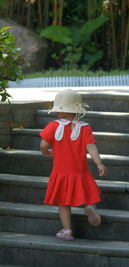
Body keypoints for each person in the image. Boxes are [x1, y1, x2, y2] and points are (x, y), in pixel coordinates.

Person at [40, 89, 106, 241]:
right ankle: (90, 207)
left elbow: (43, 144)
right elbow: (91, 147)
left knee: (63, 203)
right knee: (90, 193)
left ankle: (67, 230)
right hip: (80, 171)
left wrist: (45, 151)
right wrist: (99, 163)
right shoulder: (84, 128)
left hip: (61, 172)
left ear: (59, 111)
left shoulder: (53, 126)